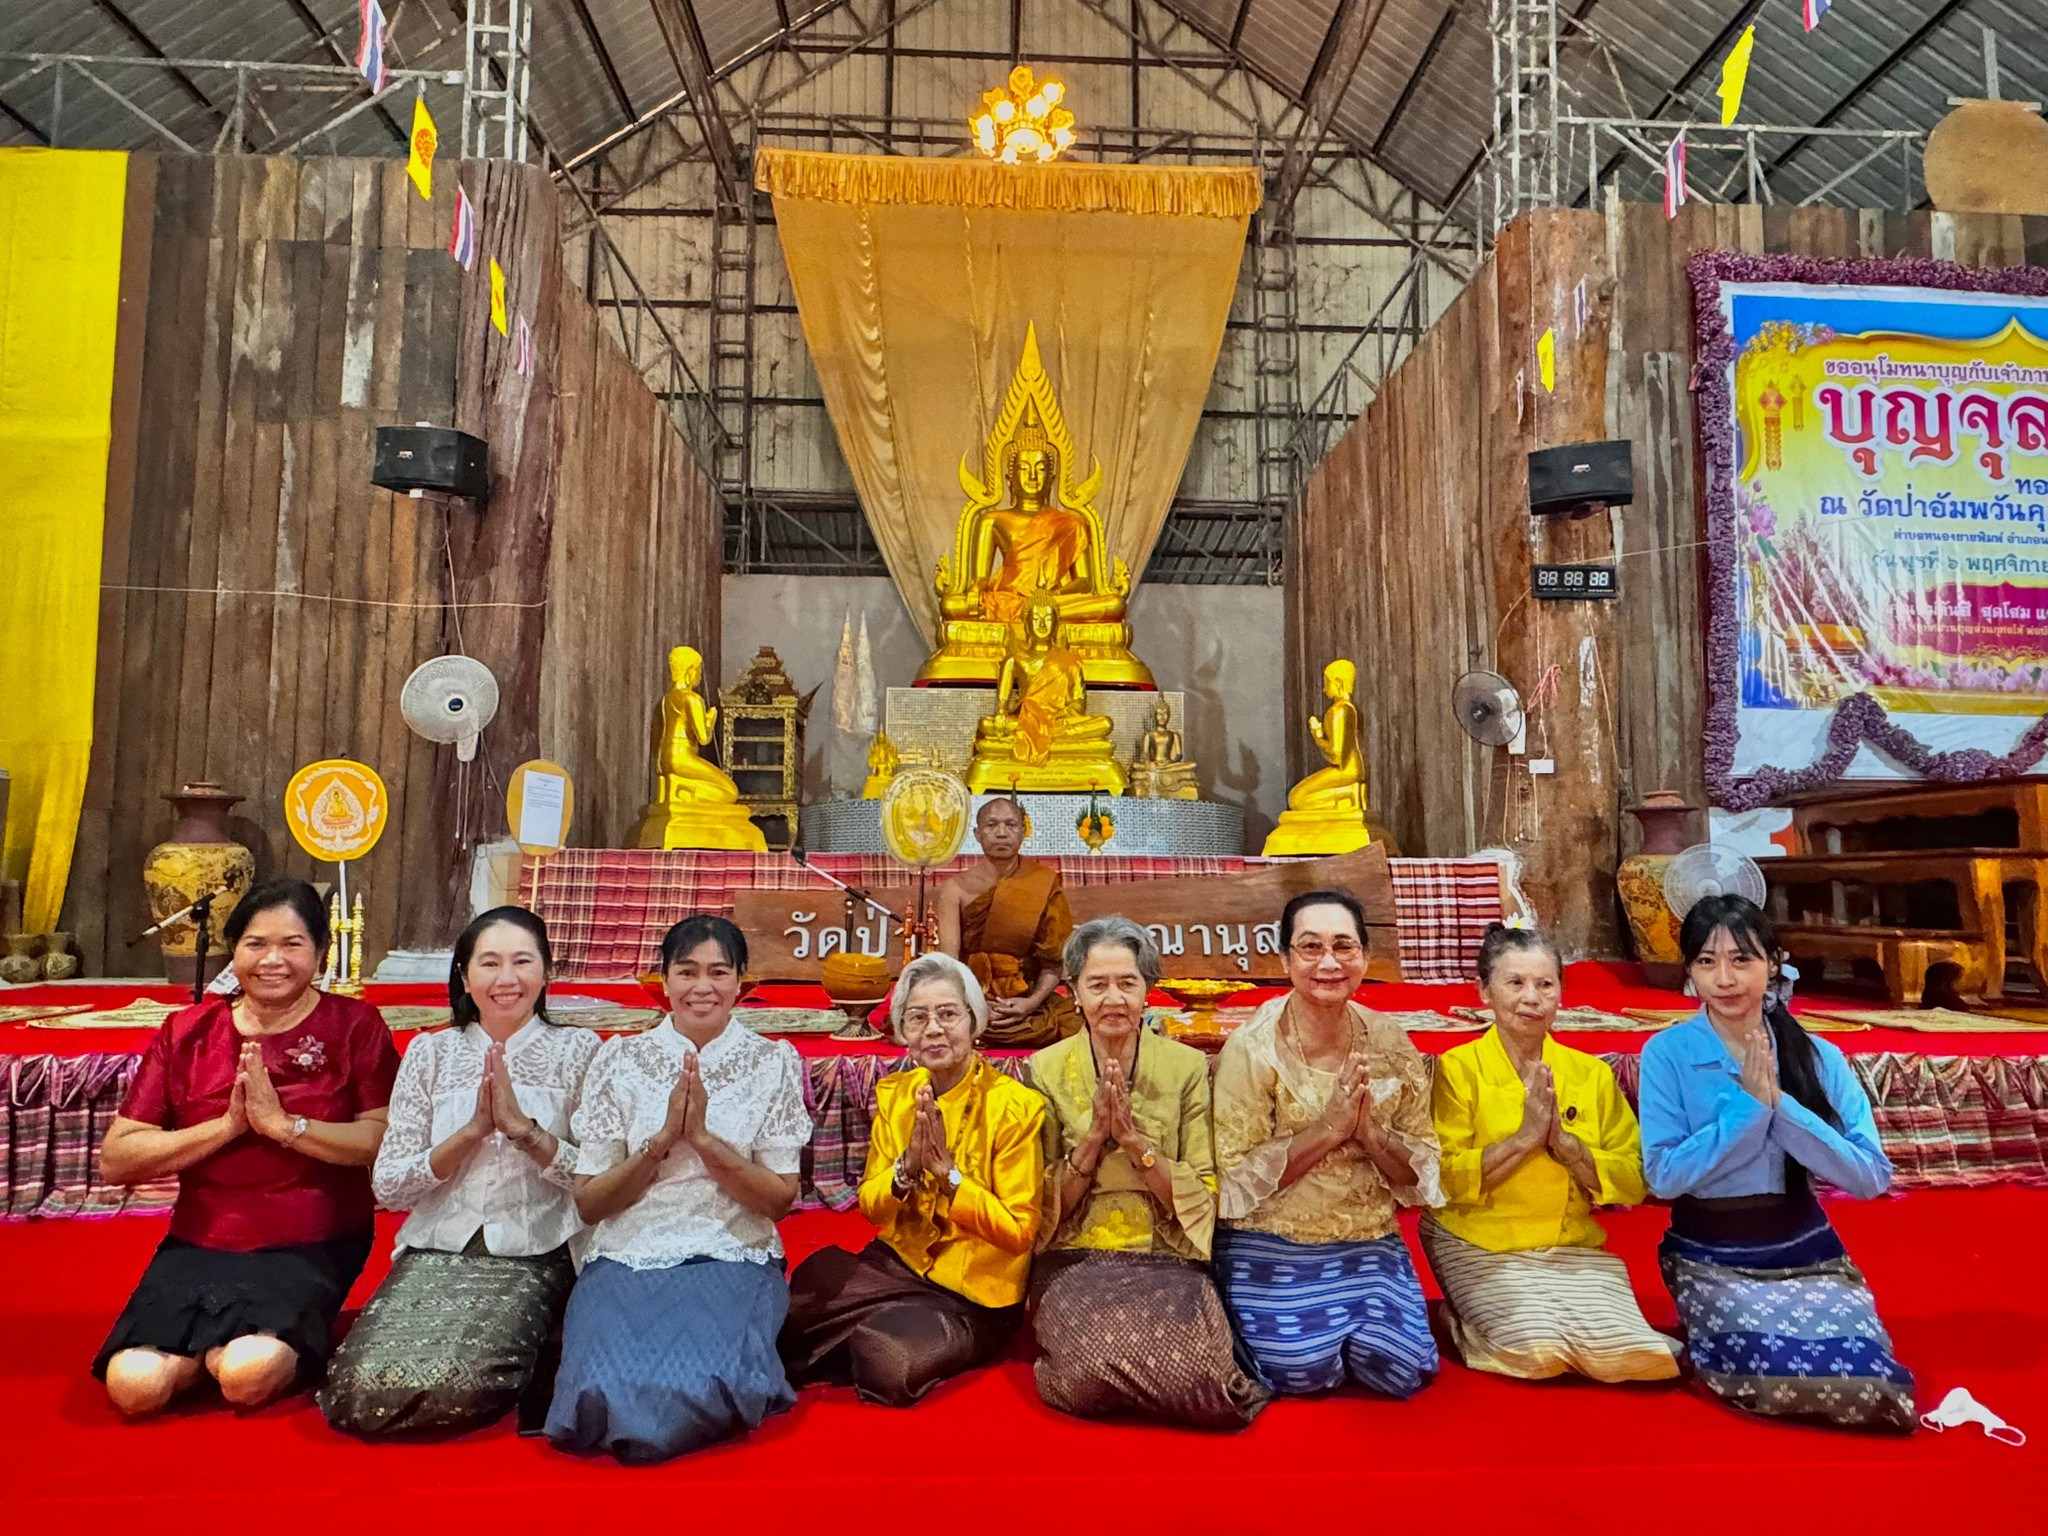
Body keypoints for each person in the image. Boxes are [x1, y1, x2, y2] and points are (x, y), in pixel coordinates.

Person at [94, 879, 399, 1417]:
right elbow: (117, 1159)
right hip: (200, 1239)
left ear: (321, 953)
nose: (272, 960)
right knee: (134, 1386)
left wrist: (284, 1127)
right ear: (232, 953)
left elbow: (381, 1139)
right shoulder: (187, 1032)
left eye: (293, 944)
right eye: (256, 944)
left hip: (310, 1238)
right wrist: (229, 1127)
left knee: (246, 1374)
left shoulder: (354, 1025)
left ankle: (239, 1347)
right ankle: (210, 1347)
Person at [1640, 894, 1914, 1432]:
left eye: (1742, 959)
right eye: (1706, 961)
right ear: (1689, 973)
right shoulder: (1666, 1054)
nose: (1725, 978)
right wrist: (1746, 1111)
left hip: (1805, 1247)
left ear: (1774, 962)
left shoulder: (1816, 1056)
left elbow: (1869, 1177)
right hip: (1710, 1254)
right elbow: (1664, 1176)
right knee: (1765, 1375)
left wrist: (1780, 1107)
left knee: (1874, 1386)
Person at [321, 906, 599, 1437]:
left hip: (535, 1245)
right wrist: (469, 1132)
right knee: (355, 1389)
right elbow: (391, 1184)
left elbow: (596, 1180)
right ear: (465, 976)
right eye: (489, 963)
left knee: (462, 1383)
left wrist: (526, 1133)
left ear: (545, 973)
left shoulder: (578, 1051)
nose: (507, 979)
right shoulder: (430, 1052)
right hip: (438, 1244)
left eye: (523, 962)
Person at [545, 916, 811, 1463]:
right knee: (598, 1384)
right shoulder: (619, 1059)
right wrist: (661, 1142)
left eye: (718, 972)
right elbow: (591, 1202)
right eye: (686, 971)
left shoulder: (772, 1061)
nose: (702, 987)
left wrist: (706, 1142)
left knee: (706, 1378)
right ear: (662, 981)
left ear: (742, 982)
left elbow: (779, 1200)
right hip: (627, 1251)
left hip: (732, 1248)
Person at [1025, 916, 1266, 1429]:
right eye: (1098, 984)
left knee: (1205, 1380)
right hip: (1078, 1253)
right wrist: (1091, 1142)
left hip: (1165, 1251)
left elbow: (1204, 1189)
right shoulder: (1044, 1069)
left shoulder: (1185, 1067)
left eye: (1127, 983)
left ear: (1147, 991)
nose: (1113, 998)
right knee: (1084, 1375)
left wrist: (1137, 1146)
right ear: (1074, 993)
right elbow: (1041, 1200)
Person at [781, 953, 1044, 1406]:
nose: (934, 1029)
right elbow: (871, 1208)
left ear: (973, 1021)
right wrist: (905, 1169)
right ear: (903, 1032)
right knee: (799, 1302)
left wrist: (950, 1177)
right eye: (917, 1017)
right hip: (896, 1266)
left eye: (947, 1014)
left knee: (891, 1362)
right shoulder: (898, 1096)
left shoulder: (1015, 1107)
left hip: (973, 1296)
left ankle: (869, 1335)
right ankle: (868, 1327)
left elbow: (1019, 1232)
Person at [1421, 923, 1680, 1383]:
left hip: (1568, 1244)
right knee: (1537, 1355)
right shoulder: (1459, 1070)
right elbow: (1439, 1176)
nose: (1531, 998)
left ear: (1561, 992)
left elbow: (1633, 1174)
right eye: (1514, 982)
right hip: (1479, 1240)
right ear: (1484, 991)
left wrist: (1567, 1145)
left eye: (1545, 984)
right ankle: (1461, 1321)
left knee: (1642, 1359)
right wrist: (1522, 1140)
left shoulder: (1589, 1075)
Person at [1211, 891, 1442, 1399]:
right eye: (1311, 947)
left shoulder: (1390, 1043)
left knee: (1401, 1370)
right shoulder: (1251, 1048)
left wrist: (1370, 1134)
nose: (1330, 962)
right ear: (1286, 960)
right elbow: (1232, 1181)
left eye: (1344, 946)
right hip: (1272, 1234)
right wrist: (1329, 1130)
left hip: (1367, 1236)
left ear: (1365, 955)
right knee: (1301, 1371)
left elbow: (1421, 1170)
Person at [937, 796, 1079, 1048]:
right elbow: (950, 964)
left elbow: (1053, 963)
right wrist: (975, 1004)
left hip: (1027, 999)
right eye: (991, 825)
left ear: (1023, 832)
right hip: (971, 998)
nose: (1001, 833)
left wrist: (1030, 1003)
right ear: (977, 834)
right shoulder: (955, 889)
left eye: (1011, 825)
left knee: (1077, 1025)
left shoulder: (1042, 882)